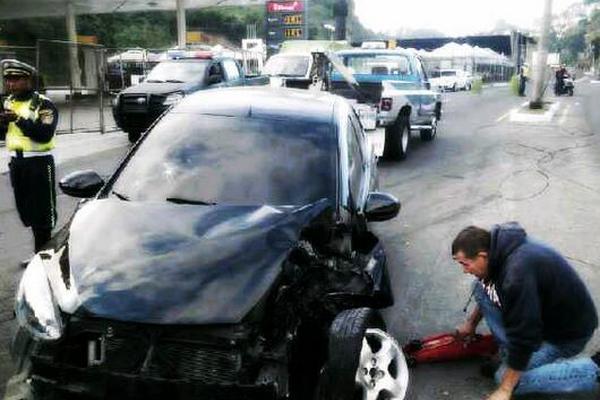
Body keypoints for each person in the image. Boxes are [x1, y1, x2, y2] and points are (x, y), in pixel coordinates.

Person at [452, 223, 599, 400]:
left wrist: (505, 390)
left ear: (482, 256)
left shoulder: (516, 275)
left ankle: (593, 370)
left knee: (506, 379)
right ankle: (512, 356)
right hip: (543, 319)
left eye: (465, 264)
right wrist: (471, 323)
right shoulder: (499, 248)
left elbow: (525, 337)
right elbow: (488, 288)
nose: (464, 270)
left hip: (566, 336)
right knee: (480, 287)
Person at [0, 59, 58, 257]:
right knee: (27, 212)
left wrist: (17, 119)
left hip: (39, 164)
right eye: (7, 79)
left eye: (15, 79)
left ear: (28, 80)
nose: (10, 83)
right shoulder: (9, 102)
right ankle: (39, 254)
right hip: (17, 163)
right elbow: (4, 133)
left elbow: (44, 133)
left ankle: (43, 257)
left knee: (42, 215)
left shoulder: (44, 104)